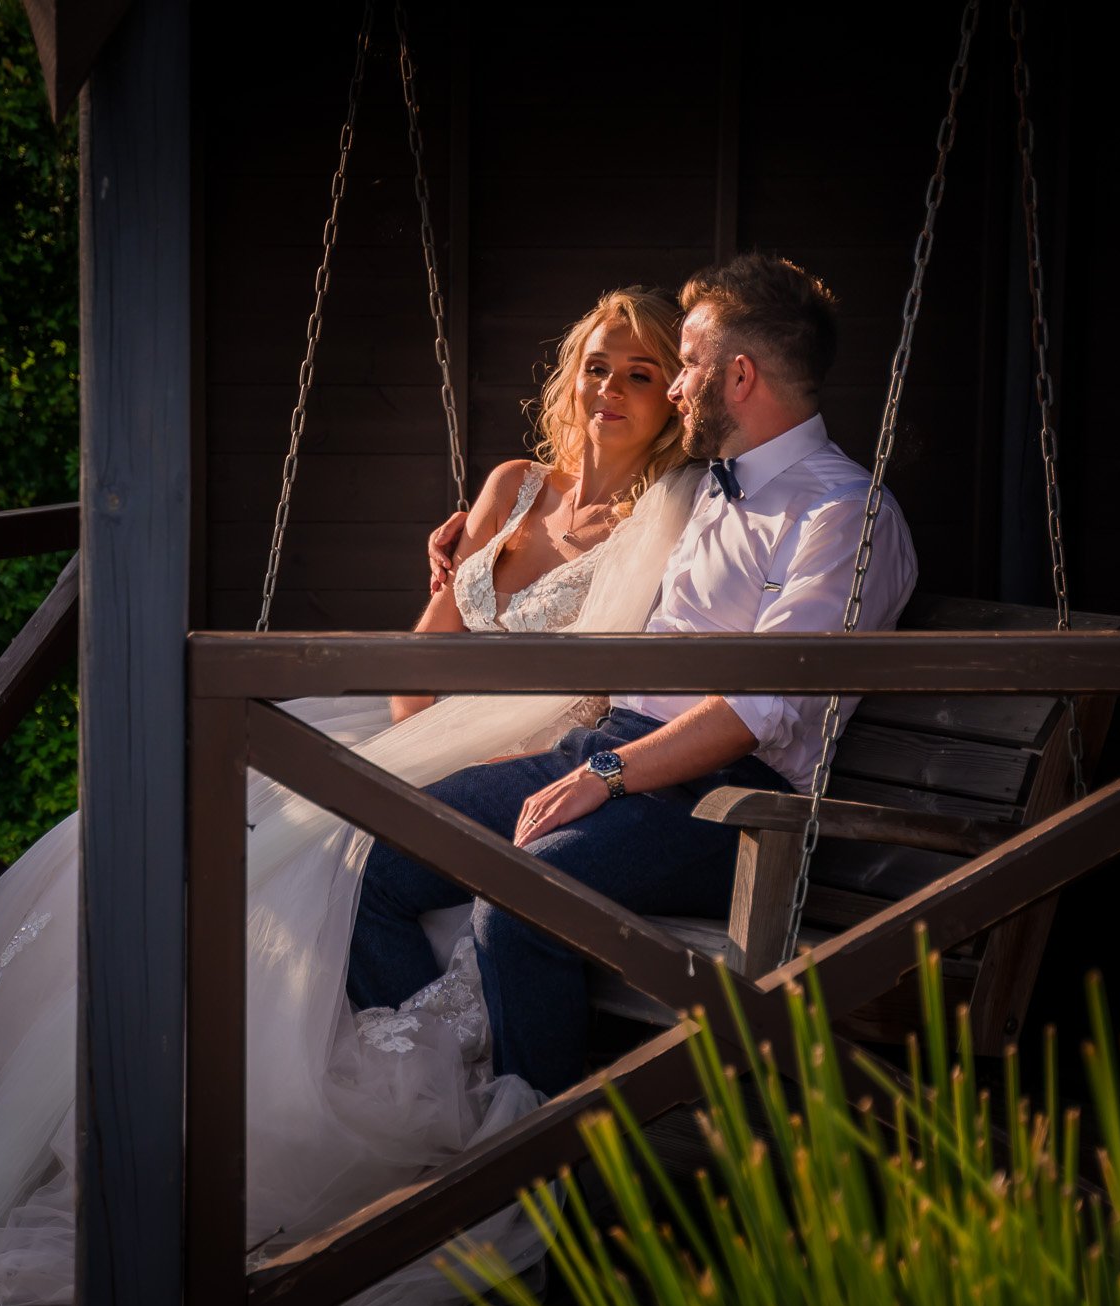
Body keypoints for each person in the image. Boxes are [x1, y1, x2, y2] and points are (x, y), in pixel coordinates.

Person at [0, 287, 706, 1306]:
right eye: (597, 364)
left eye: (639, 374)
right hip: (419, 725)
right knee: (170, 826)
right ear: (569, 372)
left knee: (323, 857)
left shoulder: (660, 513)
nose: (611, 390)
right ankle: (126, 1117)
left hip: (531, 756)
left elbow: (598, 692)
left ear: (668, 403)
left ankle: (394, 1095)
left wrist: (464, 741)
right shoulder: (512, 486)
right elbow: (423, 663)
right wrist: (433, 664)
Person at [350, 252, 919, 1098]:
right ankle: (427, 1103)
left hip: (728, 802)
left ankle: (536, 1176)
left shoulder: (842, 515)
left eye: (685, 364)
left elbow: (757, 708)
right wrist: (467, 553)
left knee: (518, 900)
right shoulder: (703, 488)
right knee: (380, 854)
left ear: (738, 374)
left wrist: (602, 774)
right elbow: (582, 527)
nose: (678, 386)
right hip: (610, 751)